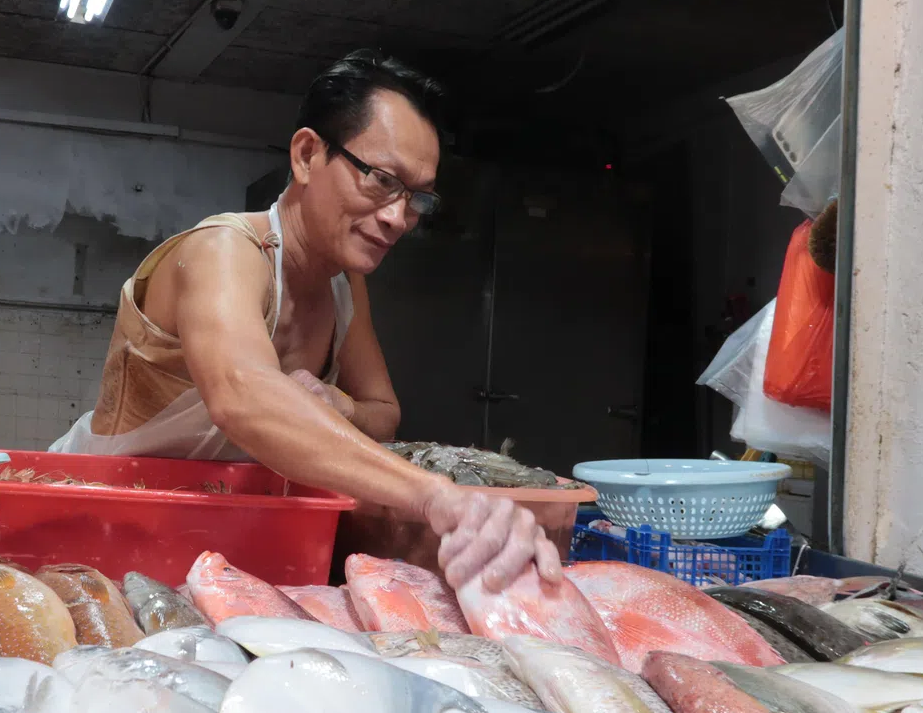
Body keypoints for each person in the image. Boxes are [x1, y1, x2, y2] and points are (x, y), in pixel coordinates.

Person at [52, 50, 561, 594]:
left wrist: (337, 404)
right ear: (307, 155)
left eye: (418, 198)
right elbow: (242, 395)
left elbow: (383, 413)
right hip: (98, 521)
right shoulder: (222, 249)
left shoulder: (345, 285)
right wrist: (435, 494)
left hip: (219, 531)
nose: (398, 217)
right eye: (381, 180)